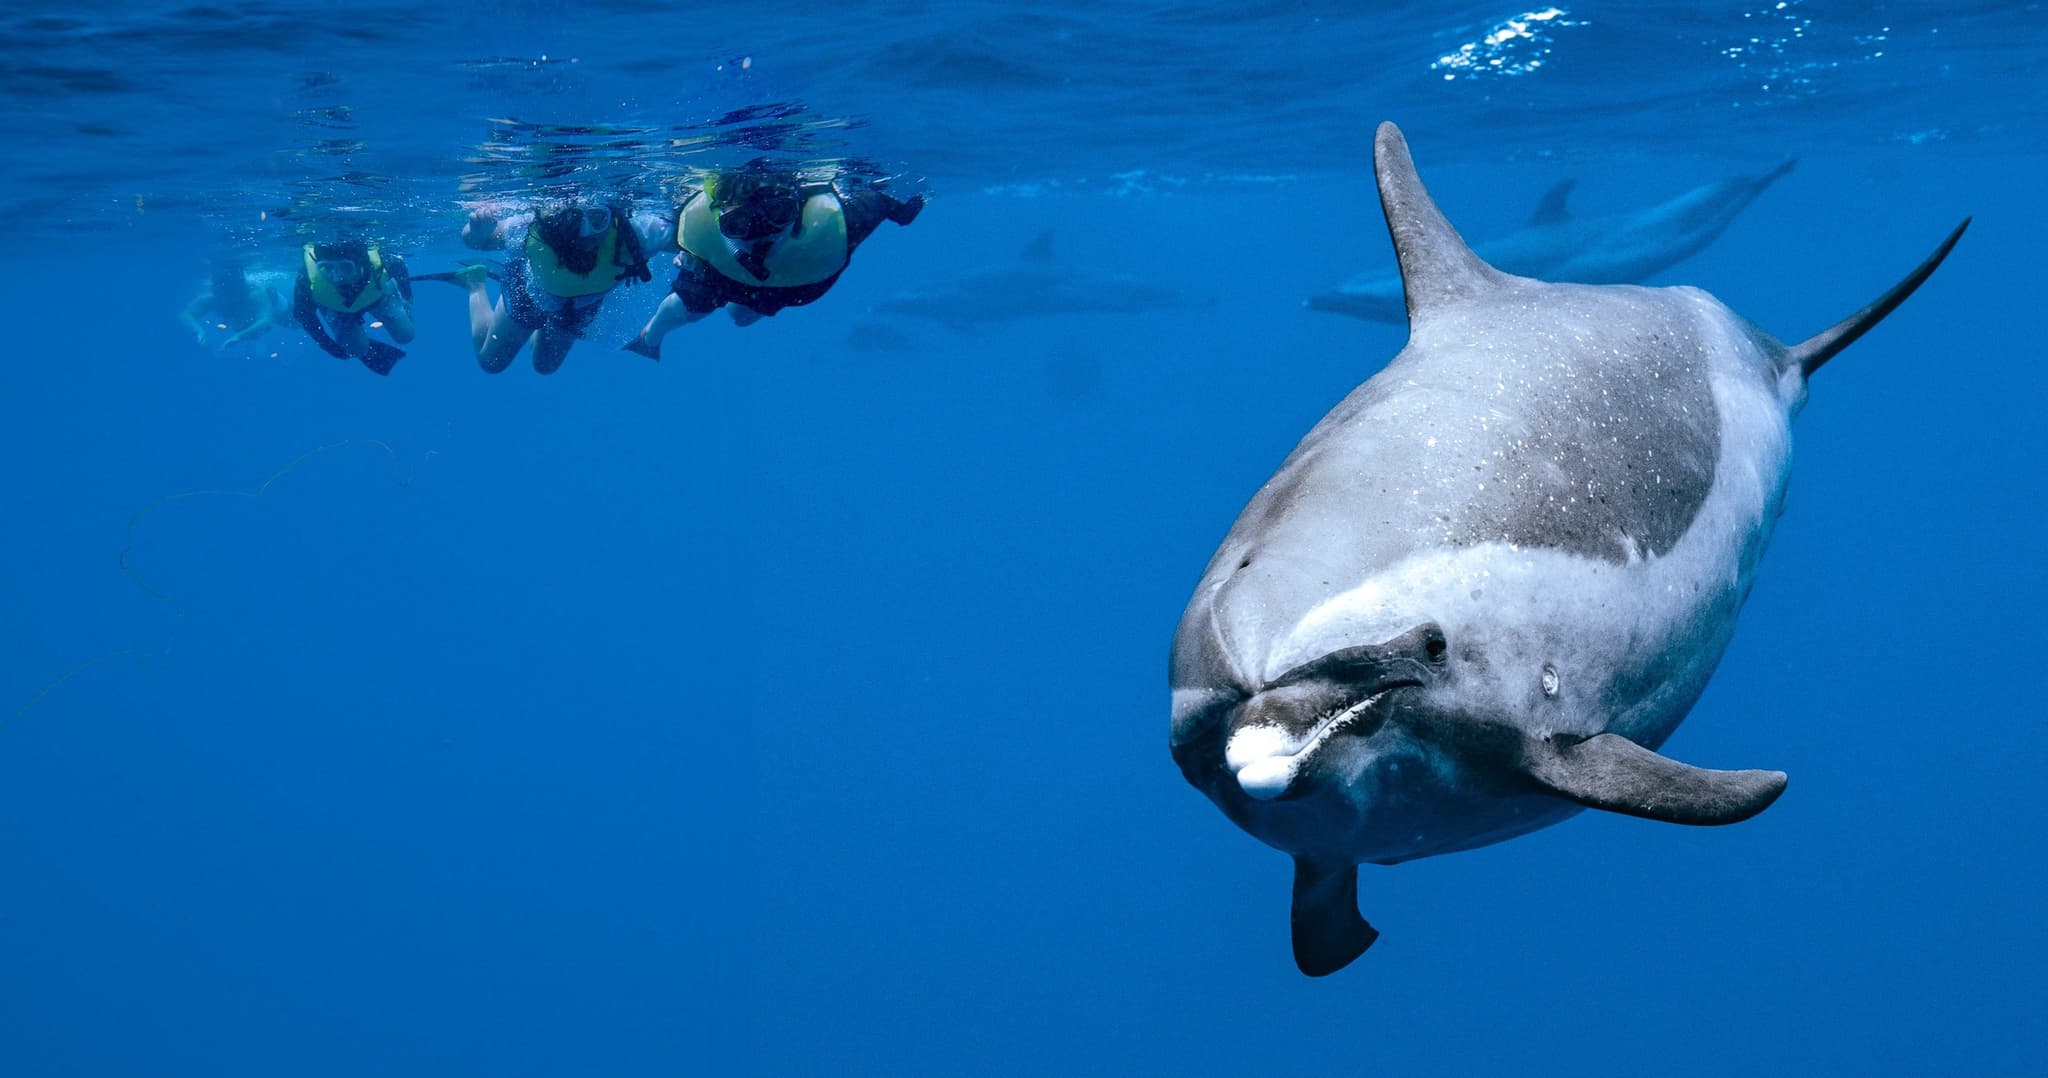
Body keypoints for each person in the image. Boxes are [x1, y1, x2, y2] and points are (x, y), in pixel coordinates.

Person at [621, 160, 924, 359]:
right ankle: (649, 340)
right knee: (692, 304)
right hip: (724, 270)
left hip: (794, 281)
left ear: (799, 208)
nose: (762, 237)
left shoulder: (836, 220)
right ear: (719, 222)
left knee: (739, 317)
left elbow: (897, 196)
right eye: (738, 224)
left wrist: (905, 204)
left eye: (778, 214)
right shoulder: (700, 229)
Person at [456, 201, 672, 375]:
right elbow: (477, 241)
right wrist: (477, 229)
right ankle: (474, 283)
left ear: (612, 214)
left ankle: (545, 321)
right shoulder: (531, 226)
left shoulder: (639, 231)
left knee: (545, 366)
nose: (584, 234)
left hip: (577, 308)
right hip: (527, 291)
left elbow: (685, 237)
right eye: (572, 220)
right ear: (559, 215)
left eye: (597, 218)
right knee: (491, 363)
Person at [292, 240, 417, 376]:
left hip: (378, 296)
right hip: (336, 308)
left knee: (406, 335)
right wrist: (327, 345)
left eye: (346, 268)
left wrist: (406, 300)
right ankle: (362, 344)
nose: (337, 277)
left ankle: (391, 296)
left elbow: (399, 266)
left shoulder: (380, 261)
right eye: (327, 268)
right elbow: (302, 313)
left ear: (362, 263)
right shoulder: (308, 277)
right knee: (356, 349)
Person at [181, 257, 291, 350]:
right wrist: (199, 331)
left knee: (293, 322)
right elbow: (186, 314)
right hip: (245, 321)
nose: (227, 291)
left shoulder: (255, 291)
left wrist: (239, 336)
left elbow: (267, 320)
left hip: (278, 310)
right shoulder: (211, 296)